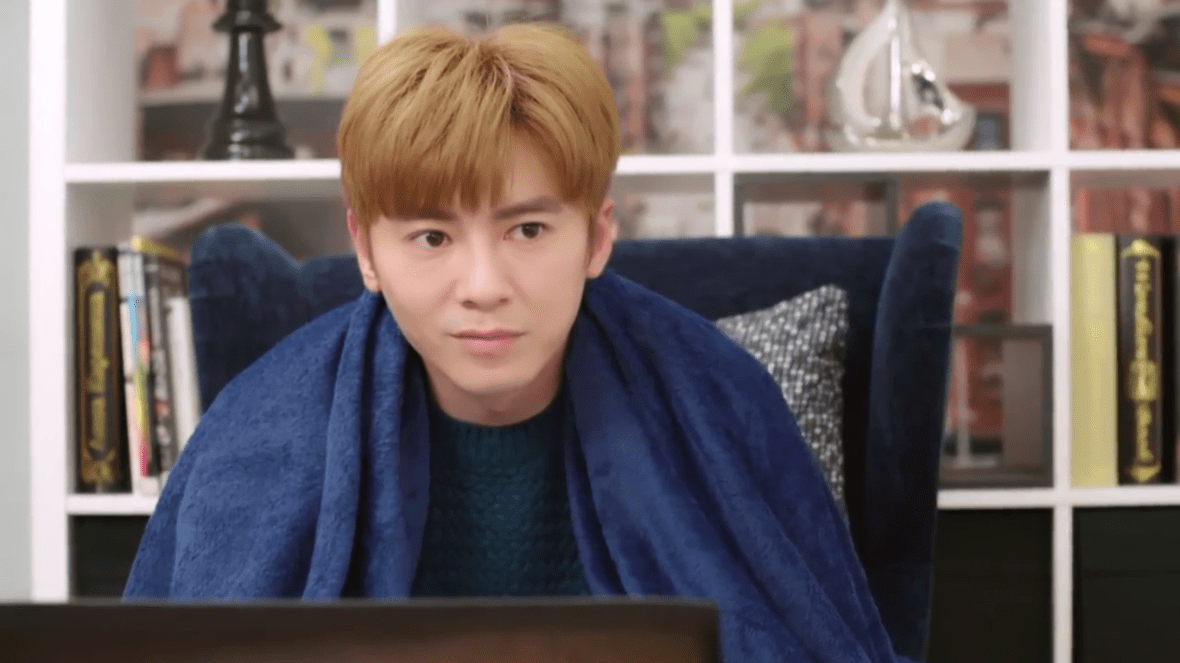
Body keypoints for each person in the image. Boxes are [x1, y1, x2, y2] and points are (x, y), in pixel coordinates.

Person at [124, 22, 912, 663]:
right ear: (366, 250)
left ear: (596, 237)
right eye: (432, 237)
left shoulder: (727, 400)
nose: (484, 284)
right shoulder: (256, 429)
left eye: (528, 229)